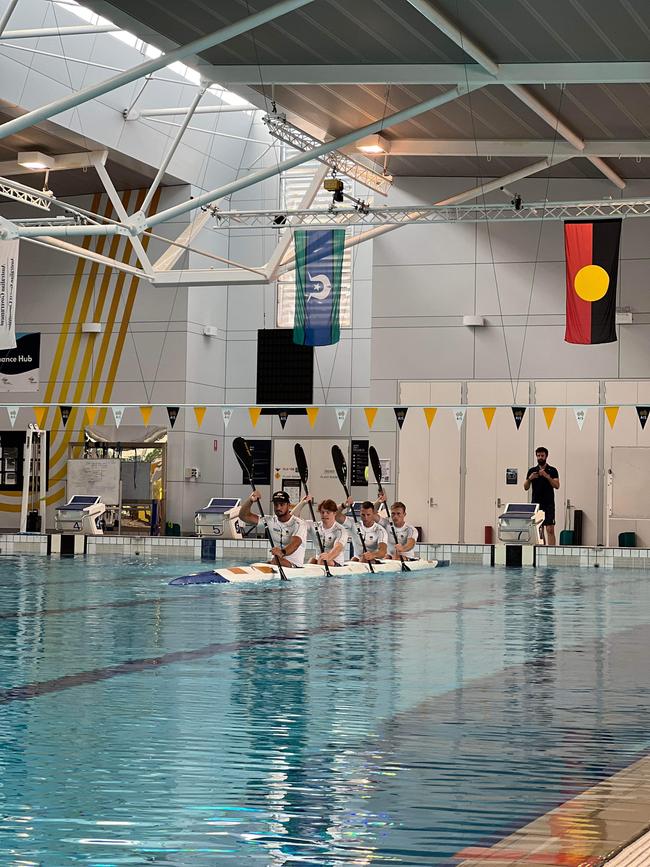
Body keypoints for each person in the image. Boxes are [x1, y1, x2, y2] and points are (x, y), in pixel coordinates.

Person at [239, 489, 308, 567]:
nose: (278, 508)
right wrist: (250, 500)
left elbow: (295, 543)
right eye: (276, 504)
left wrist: (282, 552)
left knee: (275, 560)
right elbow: (243, 516)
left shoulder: (299, 524)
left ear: (288, 505)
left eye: (282, 504)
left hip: (294, 566)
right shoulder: (269, 521)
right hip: (275, 562)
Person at [293, 495, 349, 566]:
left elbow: (338, 548)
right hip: (319, 561)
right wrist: (302, 503)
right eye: (322, 512)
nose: (324, 515)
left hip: (334, 563)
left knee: (322, 561)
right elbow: (293, 519)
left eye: (328, 512)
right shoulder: (314, 526)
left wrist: (328, 557)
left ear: (334, 513)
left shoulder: (340, 530)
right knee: (312, 560)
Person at [523, 446, 560, 545]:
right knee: (540, 529)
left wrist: (547, 476)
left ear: (546, 456)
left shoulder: (552, 470)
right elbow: (525, 487)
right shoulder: (532, 471)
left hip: (549, 503)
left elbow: (557, 486)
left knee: (550, 529)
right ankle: (542, 551)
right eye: (538, 455)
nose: (540, 457)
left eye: (542, 455)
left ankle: (552, 551)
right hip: (536, 504)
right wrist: (529, 479)